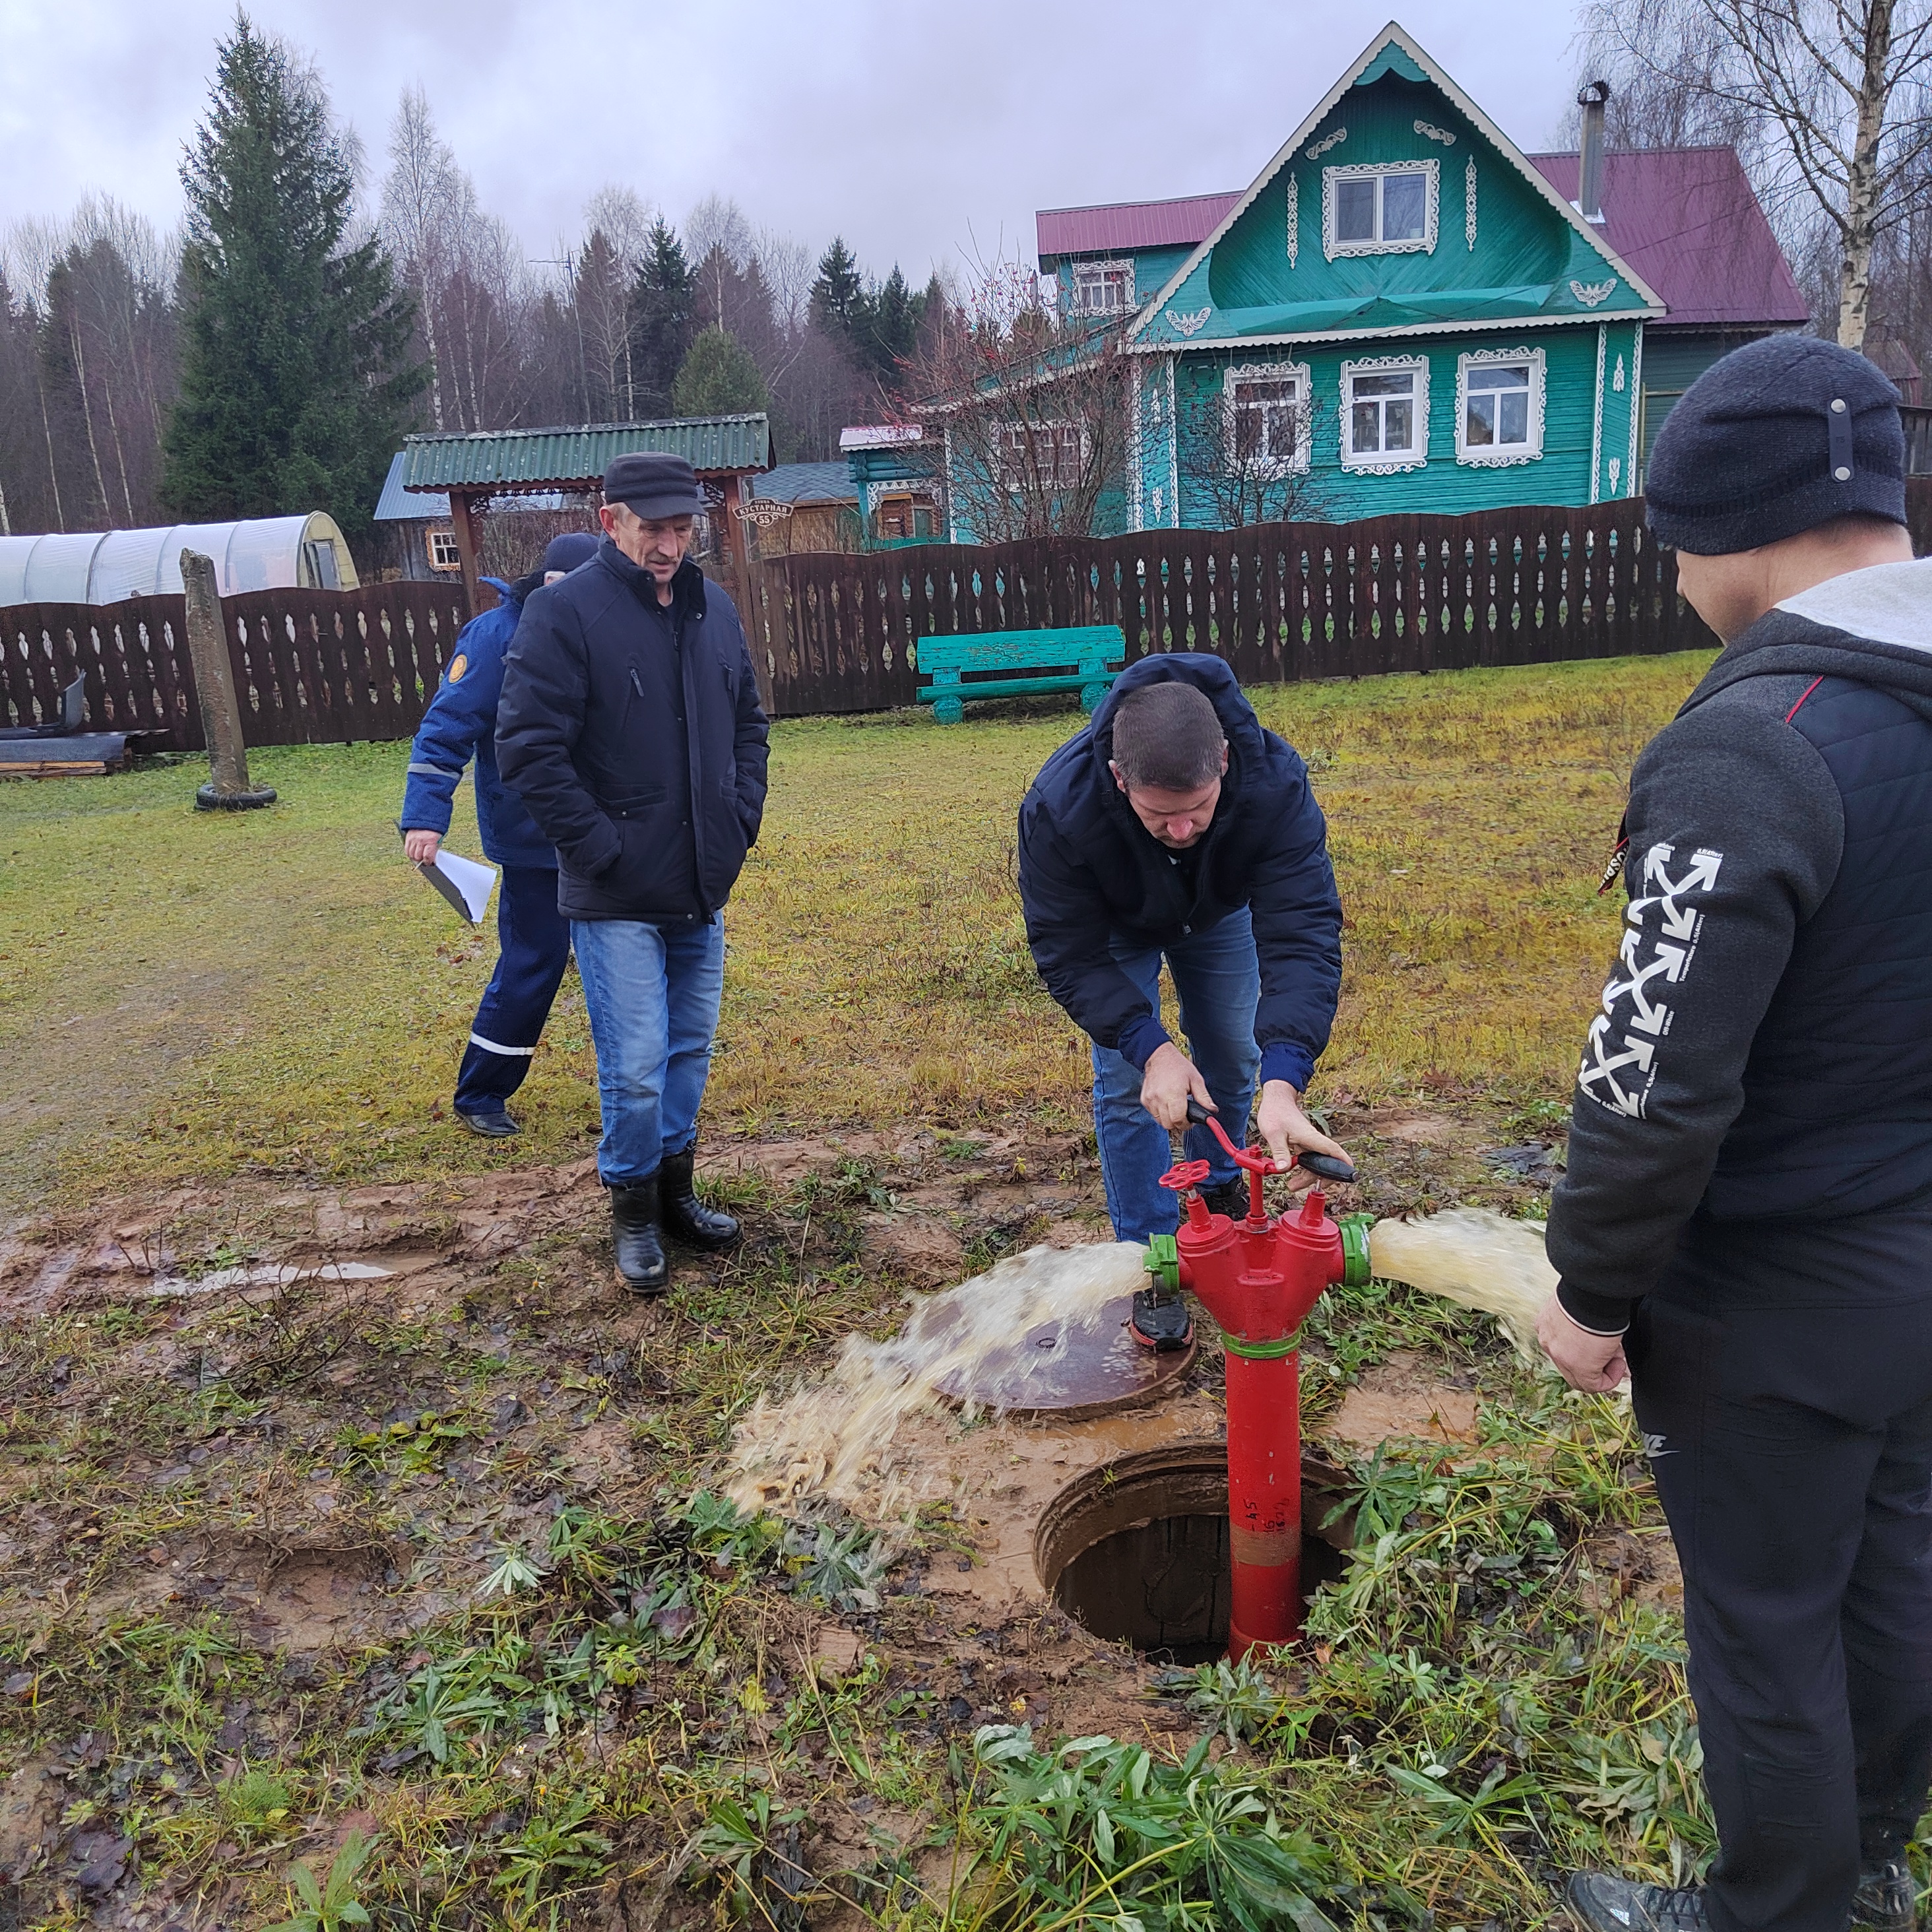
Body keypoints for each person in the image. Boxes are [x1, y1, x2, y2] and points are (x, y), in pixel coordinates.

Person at [1538, 335, 1932, 1932]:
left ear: (1740, 532)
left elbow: (1653, 1076)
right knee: (1894, 1576)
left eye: (1677, 547)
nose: (1679, 583)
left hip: (1768, 1297)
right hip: (1916, 1263)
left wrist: (1589, 1285)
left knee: (1765, 1621)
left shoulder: (1750, 748)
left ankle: (1775, 1910)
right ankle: (1867, 1856)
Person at [1017, 654, 1349, 1350]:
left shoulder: (1274, 783)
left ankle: (1221, 1177)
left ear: (1224, 762)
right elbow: (1068, 951)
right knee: (1132, 1085)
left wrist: (1286, 1078)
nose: (1182, 829)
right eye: (1160, 814)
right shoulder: (1059, 805)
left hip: (1216, 913)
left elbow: (1301, 930)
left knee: (1232, 1049)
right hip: (1113, 925)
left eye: (1198, 809)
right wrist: (1150, 1047)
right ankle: (1150, 1260)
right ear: (1118, 779)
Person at [496, 453, 769, 1295]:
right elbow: (528, 749)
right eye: (654, 527)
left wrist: (740, 818)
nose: (670, 544)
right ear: (610, 517)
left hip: (699, 883)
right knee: (638, 1062)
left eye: (683, 527)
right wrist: (597, 847)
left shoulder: (712, 608)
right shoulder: (564, 613)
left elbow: (749, 725)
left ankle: (678, 1194)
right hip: (614, 892)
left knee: (688, 1050)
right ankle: (634, 1210)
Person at [400, 531, 598, 1137]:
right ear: (546, 580)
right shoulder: (495, 636)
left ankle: (641, 1079)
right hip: (533, 836)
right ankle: (482, 1092)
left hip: (604, 832)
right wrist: (425, 818)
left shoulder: (602, 627)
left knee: (626, 957)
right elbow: (445, 730)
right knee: (535, 959)